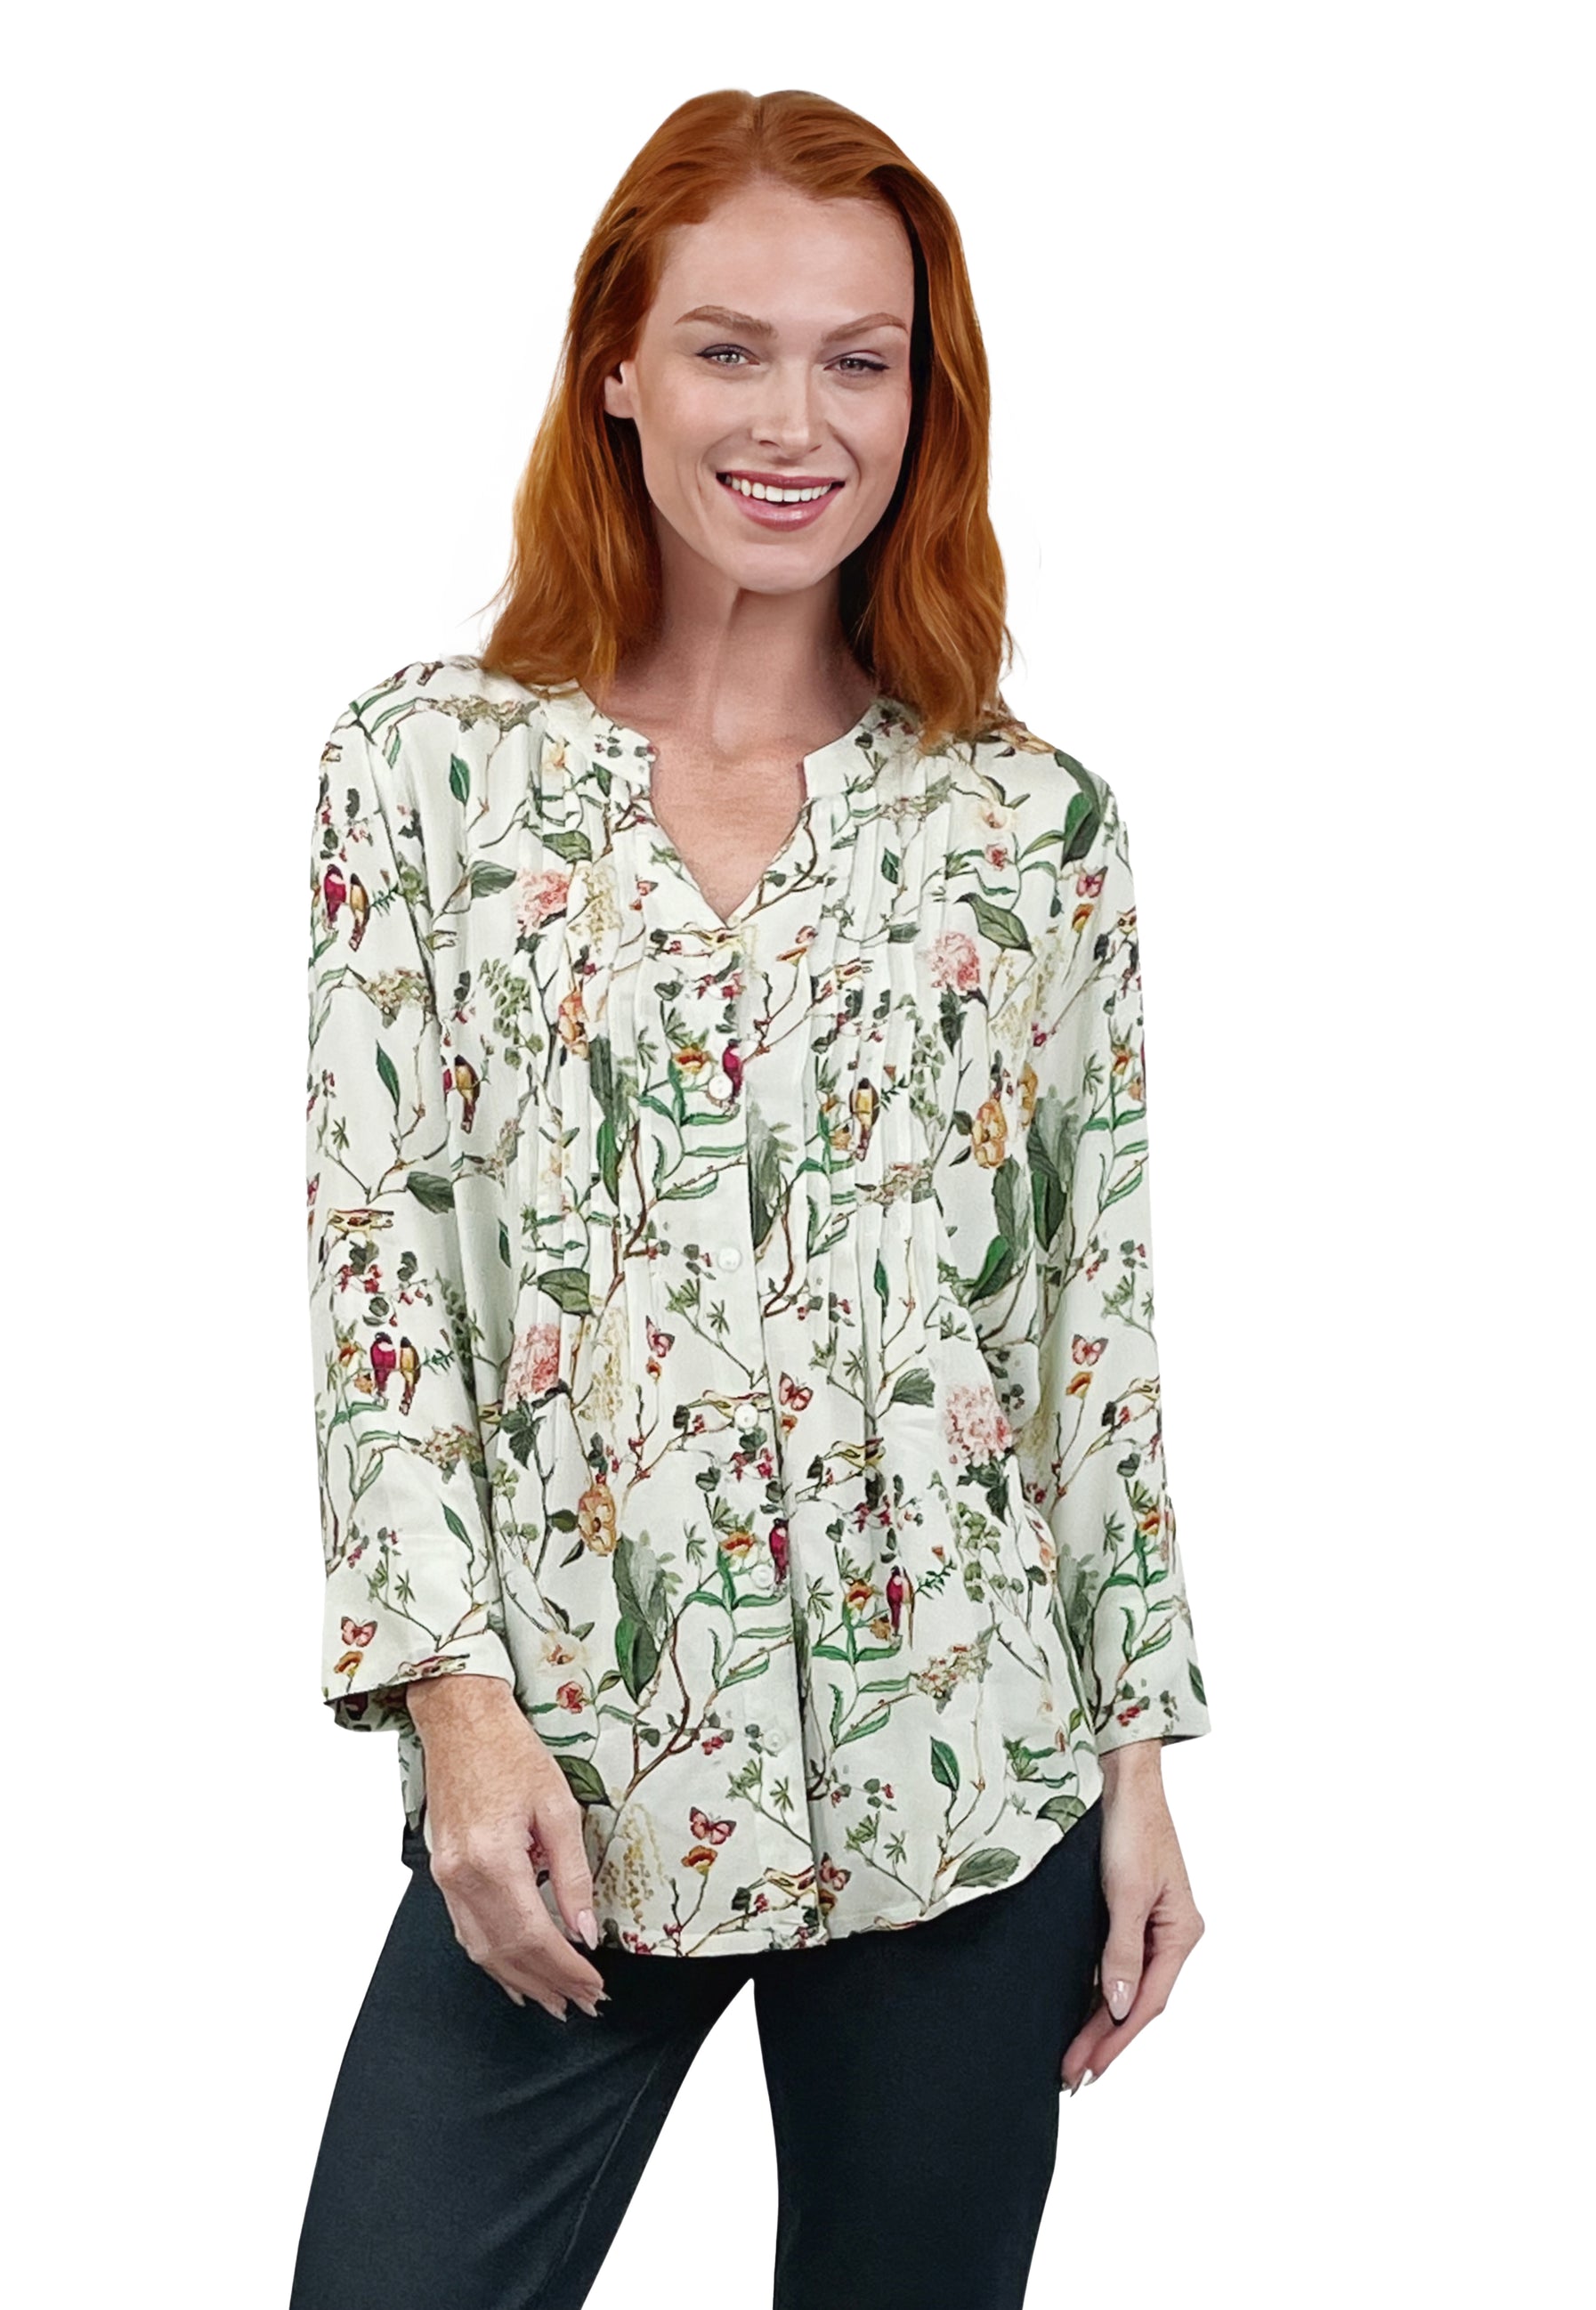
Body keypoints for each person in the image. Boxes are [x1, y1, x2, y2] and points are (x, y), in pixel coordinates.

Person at [292, 85, 1211, 2310]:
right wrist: (454, 1707)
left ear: (923, 393)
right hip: (575, 1792)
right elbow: (381, 1269)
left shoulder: (1031, 827)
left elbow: (1082, 1314)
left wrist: (1135, 1764)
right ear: (617, 364)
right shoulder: (426, 774)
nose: (796, 421)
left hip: (969, 1781)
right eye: (729, 347)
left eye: (857, 359)